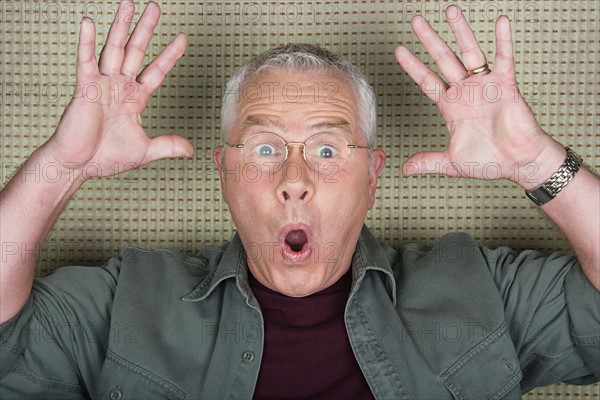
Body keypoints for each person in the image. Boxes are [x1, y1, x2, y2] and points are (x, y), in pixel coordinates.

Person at [1, 0, 598, 398]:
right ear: (225, 174)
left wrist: (536, 163)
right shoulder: (125, 299)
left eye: (328, 150)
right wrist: (62, 167)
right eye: (263, 149)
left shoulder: (480, 289)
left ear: (372, 180)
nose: (294, 177)